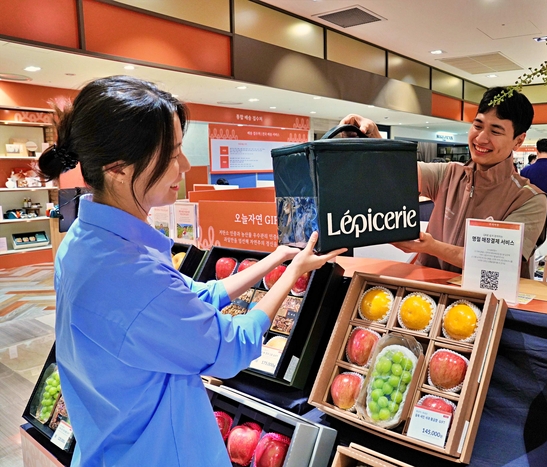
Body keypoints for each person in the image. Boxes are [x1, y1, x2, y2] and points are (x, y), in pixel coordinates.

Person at [36, 76, 345, 466]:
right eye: (172, 153)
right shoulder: (129, 275)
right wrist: (292, 274)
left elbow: (195, 297)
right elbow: (230, 347)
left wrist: (276, 259)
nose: (184, 165)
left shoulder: (88, 239)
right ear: (117, 169)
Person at [340, 87, 547, 276]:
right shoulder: (448, 174)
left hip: (486, 305)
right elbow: (397, 172)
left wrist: (430, 247)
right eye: (477, 125)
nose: (481, 138)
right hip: (426, 295)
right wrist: (372, 138)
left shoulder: (529, 199)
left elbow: (499, 260)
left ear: (519, 140)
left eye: (495, 131)